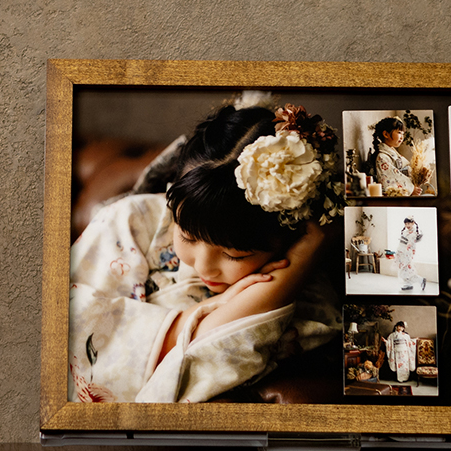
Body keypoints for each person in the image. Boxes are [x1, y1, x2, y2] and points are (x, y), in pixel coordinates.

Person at [68, 101, 344, 404]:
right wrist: (202, 313)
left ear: (286, 240)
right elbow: (69, 325)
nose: (204, 267)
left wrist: (299, 263)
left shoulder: (310, 300)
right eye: (186, 237)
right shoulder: (131, 220)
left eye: (234, 255)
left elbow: (191, 377)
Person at [367, 117, 422, 196]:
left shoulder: (393, 153)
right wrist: (411, 189)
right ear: (386, 134)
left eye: (403, 134)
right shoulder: (382, 157)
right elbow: (392, 176)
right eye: (399, 132)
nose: (402, 137)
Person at [396, 216, 426, 291]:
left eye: (409, 223)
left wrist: (404, 251)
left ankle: (420, 280)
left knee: (405, 269)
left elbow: (410, 245)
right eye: (406, 224)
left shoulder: (413, 233)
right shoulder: (405, 232)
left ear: (413, 223)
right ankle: (408, 284)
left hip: (406, 253)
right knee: (405, 269)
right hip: (402, 252)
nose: (407, 225)